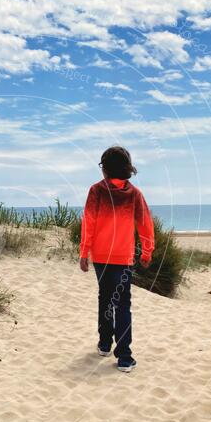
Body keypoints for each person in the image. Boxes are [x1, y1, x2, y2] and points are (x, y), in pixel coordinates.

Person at [79, 146, 154, 373]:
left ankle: (104, 344)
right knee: (122, 304)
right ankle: (124, 356)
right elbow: (145, 225)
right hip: (122, 258)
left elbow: (88, 223)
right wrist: (147, 251)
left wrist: (84, 252)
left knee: (105, 297)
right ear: (126, 168)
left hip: (101, 256)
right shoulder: (134, 194)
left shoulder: (97, 191)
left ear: (105, 169)